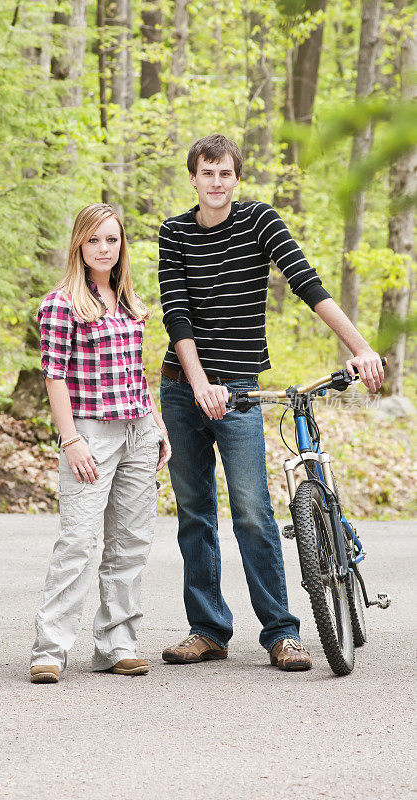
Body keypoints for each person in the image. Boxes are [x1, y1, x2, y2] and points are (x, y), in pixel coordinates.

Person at [158, 134, 384, 671]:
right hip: (182, 386)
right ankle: (208, 629)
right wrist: (198, 383)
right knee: (194, 514)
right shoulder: (174, 231)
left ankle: (282, 632)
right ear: (193, 177)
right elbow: (177, 313)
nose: (216, 182)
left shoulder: (260, 221)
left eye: (225, 174)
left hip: (239, 390)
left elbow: (308, 284)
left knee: (254, 513)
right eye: (207, 173)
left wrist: (361, 346)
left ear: (237, 178)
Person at [30, 203, 171, 683]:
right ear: (79, 245)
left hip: (137, 431)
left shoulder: (130, 302)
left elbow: (136, 373)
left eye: (112, 240)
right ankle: (50, 650)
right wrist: (70, 441)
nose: (104, 249)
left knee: (130, 543)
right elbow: (54, 377)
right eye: (94, 240)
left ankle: (118, 644)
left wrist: (156, 425)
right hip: (89, 432)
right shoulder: (61, 304)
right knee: (79, 541)